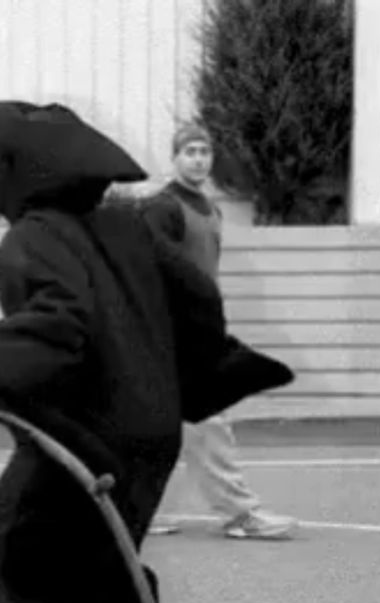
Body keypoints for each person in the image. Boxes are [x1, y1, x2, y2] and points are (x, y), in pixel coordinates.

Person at [0, 100, 292, 603]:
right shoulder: (129, 225)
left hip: (85, 437)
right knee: (96, 575)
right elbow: (198, 298)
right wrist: (194, 377)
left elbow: (60, 322)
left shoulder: (34, 235)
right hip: (151, 436)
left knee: (3, 565)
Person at [139, 124, 299, 540]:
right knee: (210, 422)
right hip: (174, 333)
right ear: (173, 158)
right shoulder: (162, 208)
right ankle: (241, 514)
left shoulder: (211, 210)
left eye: (204, 152)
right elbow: (154, 272)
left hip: (197, 330)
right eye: (189, 151)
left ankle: (134, 510)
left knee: (157, 428)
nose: (197, 159)